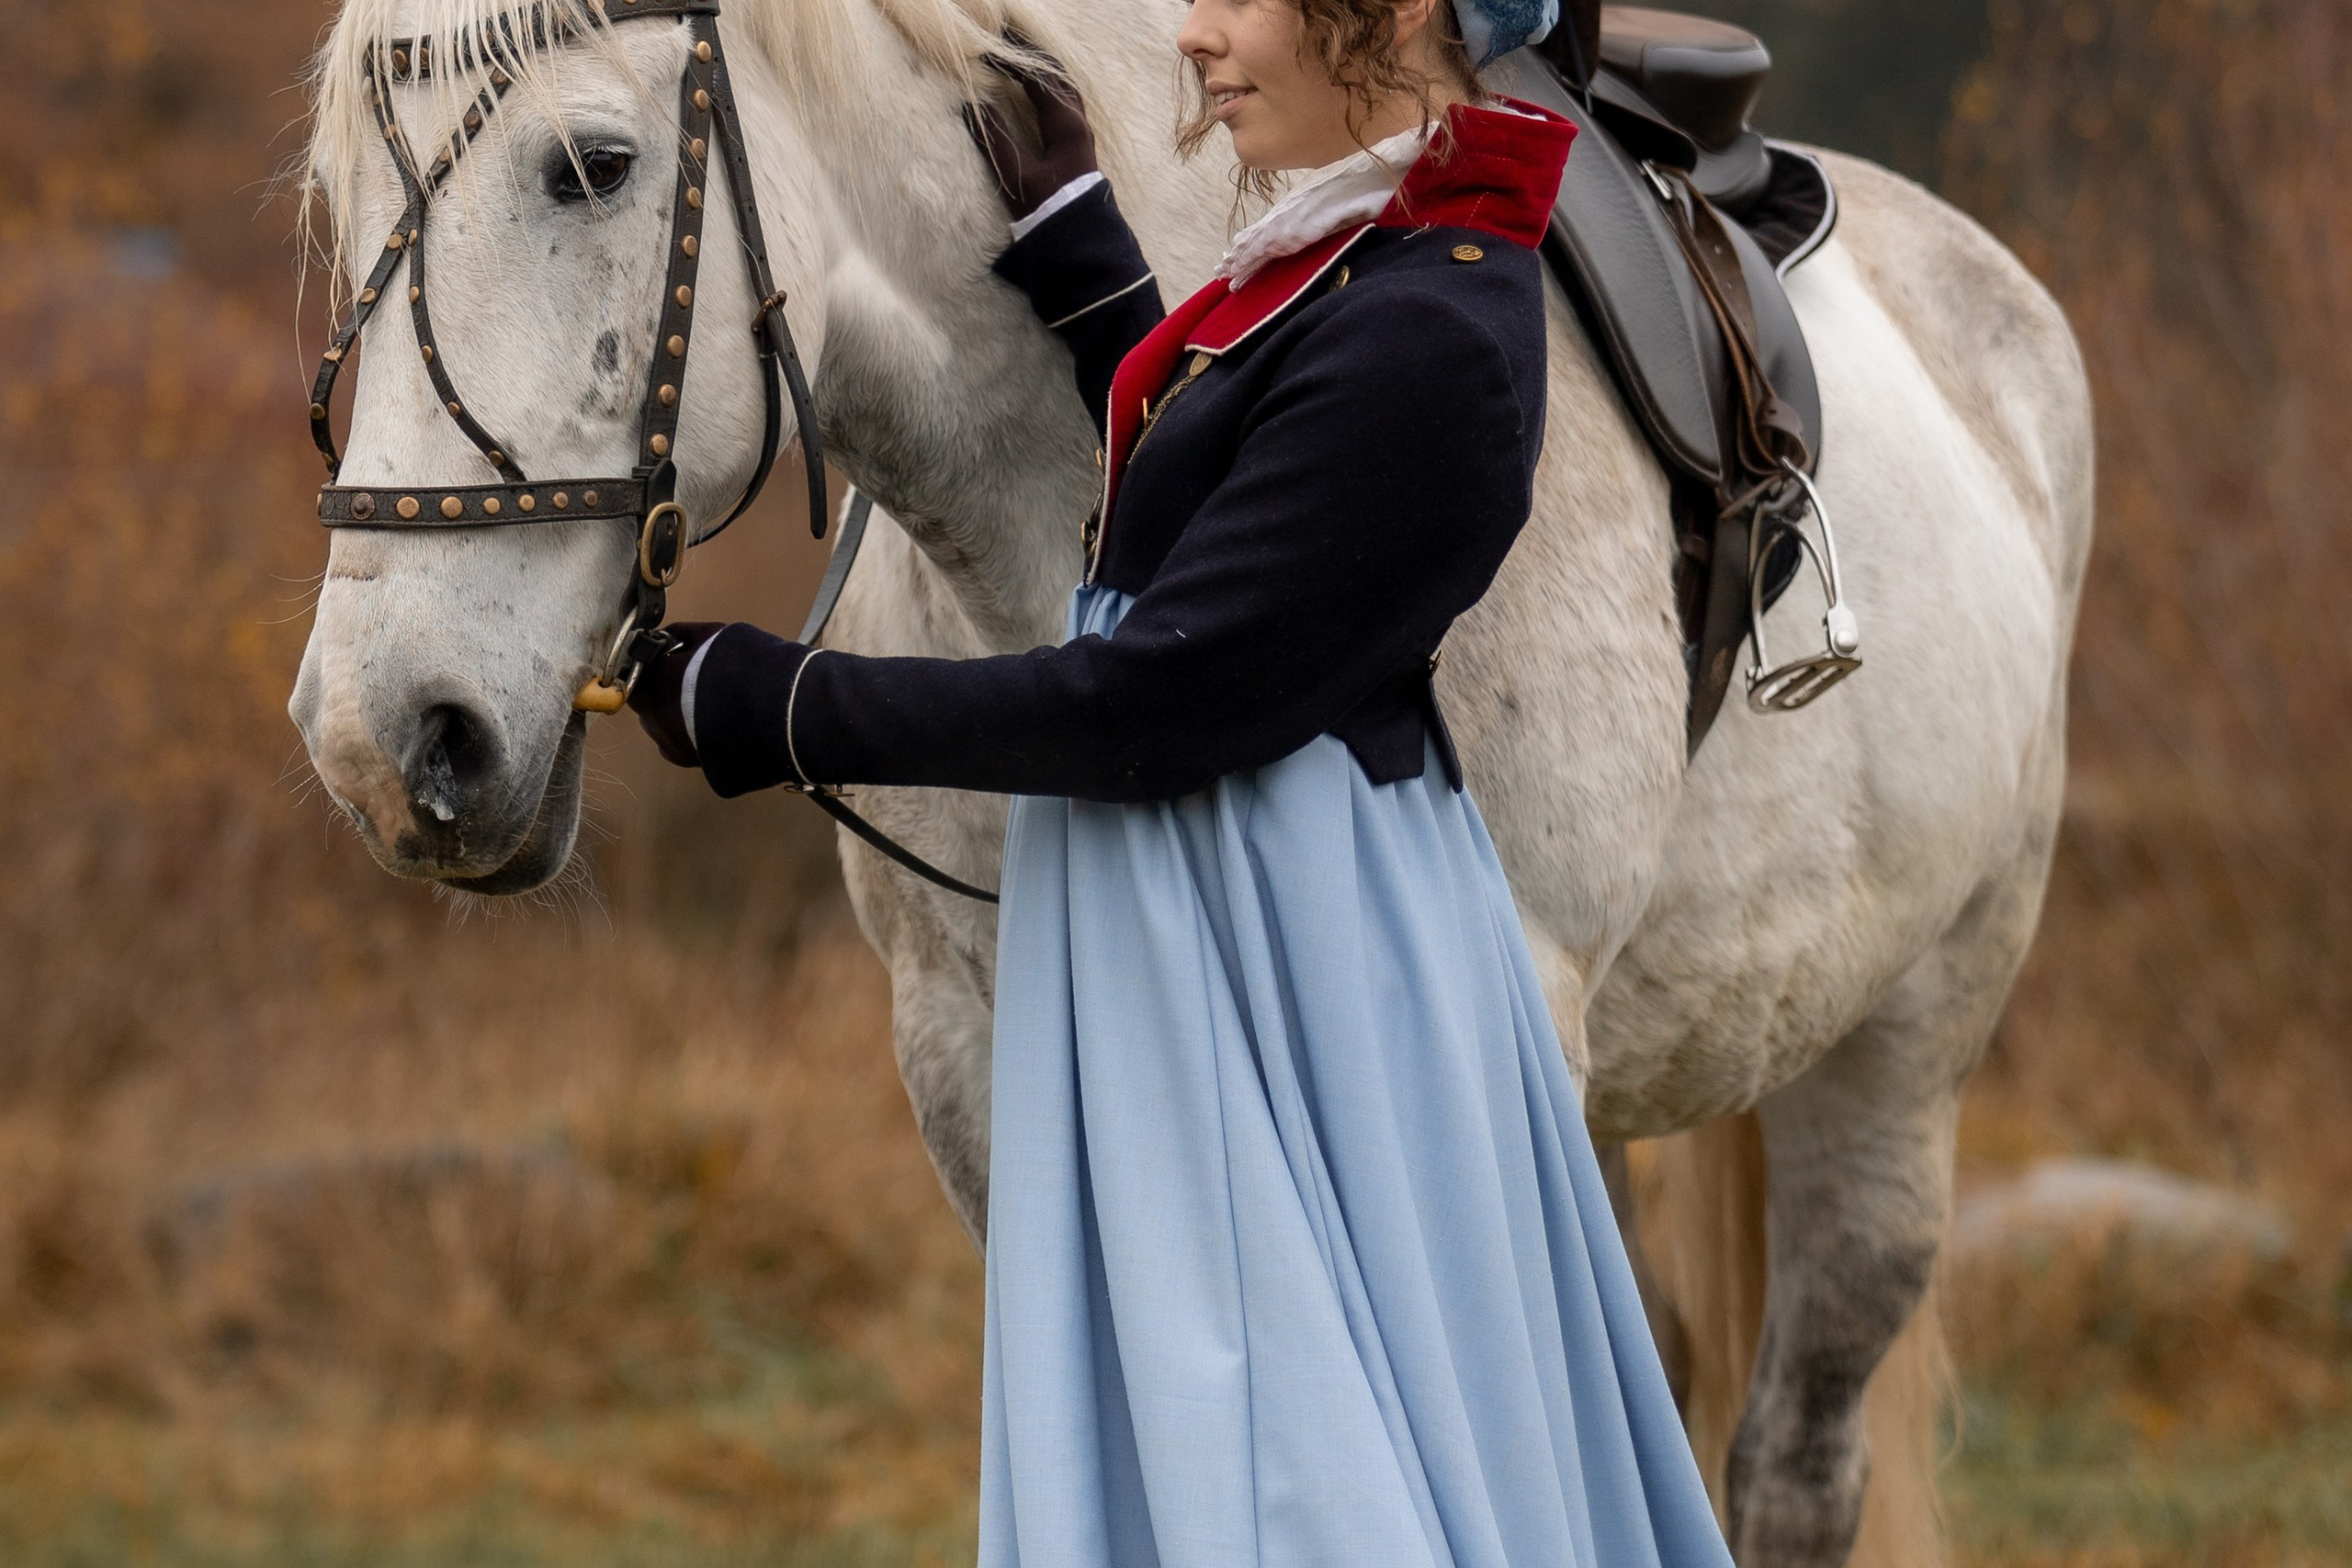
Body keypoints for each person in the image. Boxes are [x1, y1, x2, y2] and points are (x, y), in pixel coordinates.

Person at [633, 0, 1735, 1562]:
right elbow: (1228, 500)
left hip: (1294, 955)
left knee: (1298, 1481)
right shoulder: (1362, 262)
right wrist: (1081, 248)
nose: (1196, 34)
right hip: (1231, 902)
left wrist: (775, 704)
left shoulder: (1441, 326)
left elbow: (1152, 702)